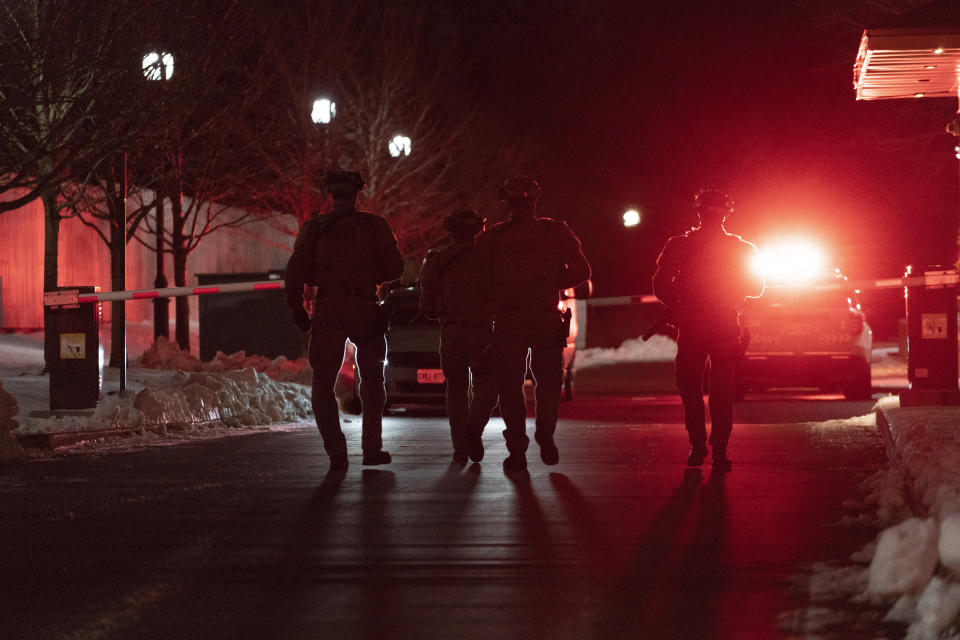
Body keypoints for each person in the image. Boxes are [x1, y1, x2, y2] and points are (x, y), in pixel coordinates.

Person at [285, 170, 405, 472]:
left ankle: (336, 453)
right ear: (356, 193)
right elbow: (395, 266)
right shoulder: (373, 225)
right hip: (363, 305)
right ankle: (371, 449)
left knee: (323, 382)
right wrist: (368, 273)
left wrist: (297, 308)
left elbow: (295, 271)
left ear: (331, 194)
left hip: (327, 307)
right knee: (373, 380)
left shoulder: (316, 227)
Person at [475, 175, 591, 472]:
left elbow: (480, 280)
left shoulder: (493, 237)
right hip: (544, 318)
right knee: (549, 384)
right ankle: (545, 433)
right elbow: (582, 270)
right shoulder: (555, 230)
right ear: (535, 201)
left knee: (510, 387)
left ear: (506, 202)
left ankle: (516, 449)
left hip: (509, 319)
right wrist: (551, 284)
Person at [652, 189, 764, 472]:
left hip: (693, 326)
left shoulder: (680, 245)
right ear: (726, 212)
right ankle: (719, 450)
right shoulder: (741, 248)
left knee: (689, 386)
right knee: (722, 389)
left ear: (699, 211)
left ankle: (698, 446)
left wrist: (678, 303)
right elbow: (756, 287)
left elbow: (660, 284)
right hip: (723, 325)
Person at [419, 208, 499, 464]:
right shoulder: (491, 260)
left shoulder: (439, 260)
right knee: (488, 386)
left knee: (456, 390)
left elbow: (426, 306)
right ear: (478, 229)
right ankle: (473, 426)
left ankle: (460, 447)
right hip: (482, 333)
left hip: (452, 332)